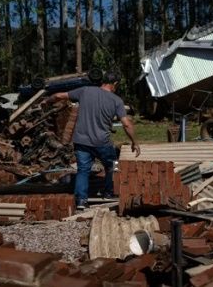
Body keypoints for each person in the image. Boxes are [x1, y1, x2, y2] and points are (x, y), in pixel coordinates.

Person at [43, 71, 140, 209]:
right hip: (102, 143)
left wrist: (46, 101)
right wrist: (134, 142)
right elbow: (126, 123)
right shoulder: (116, 101)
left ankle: (81, 200)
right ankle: (109, 192)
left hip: (81, 141)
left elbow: (59, 95)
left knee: (83, 170)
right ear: (115, 84)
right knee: (114, 165)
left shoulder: (85, 91)